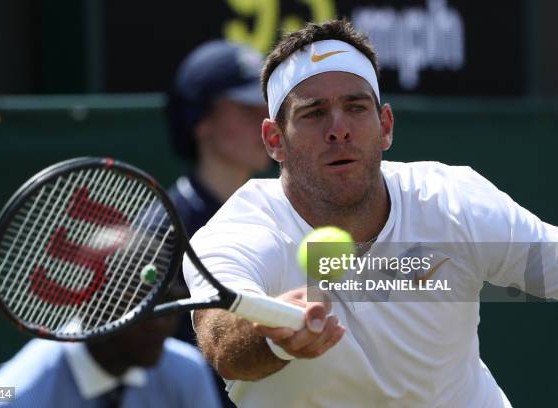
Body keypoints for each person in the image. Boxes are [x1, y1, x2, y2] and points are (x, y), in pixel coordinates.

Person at [183, 19, 558, 407]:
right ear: (275, 141)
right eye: (313, 113)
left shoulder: (453, 204)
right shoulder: (240, 231)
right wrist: (274, 337)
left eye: (356, 107)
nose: (339, 129)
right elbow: (220, 335)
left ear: (385, 126)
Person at [165, 39, 270, 408]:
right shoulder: (161, 233)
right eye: (246, 109)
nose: (265, 120)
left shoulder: (281, 213)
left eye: (268, 106)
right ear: (200, 121)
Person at [0, 283, 220, 408]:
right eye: (137, 302)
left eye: (169, 301)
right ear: (92, 311)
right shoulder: (16, 393)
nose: (162, 321)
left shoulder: (188, 371)